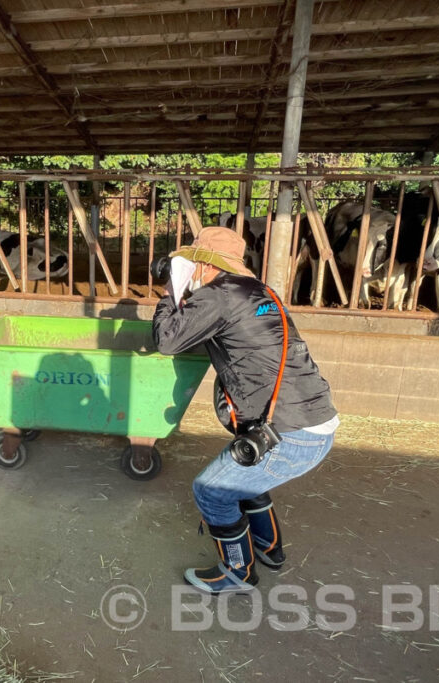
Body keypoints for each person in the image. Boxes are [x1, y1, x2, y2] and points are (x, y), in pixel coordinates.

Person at [151, 227, 339, 594]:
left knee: (211, 491)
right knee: (247, 485)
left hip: (290, 433)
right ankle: (271, 551)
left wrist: (172, 289)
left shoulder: (220, 294)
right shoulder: (259, 292)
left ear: (205, 266)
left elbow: (167, 340)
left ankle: (237, 573)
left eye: (192, 263)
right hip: (313, 422)